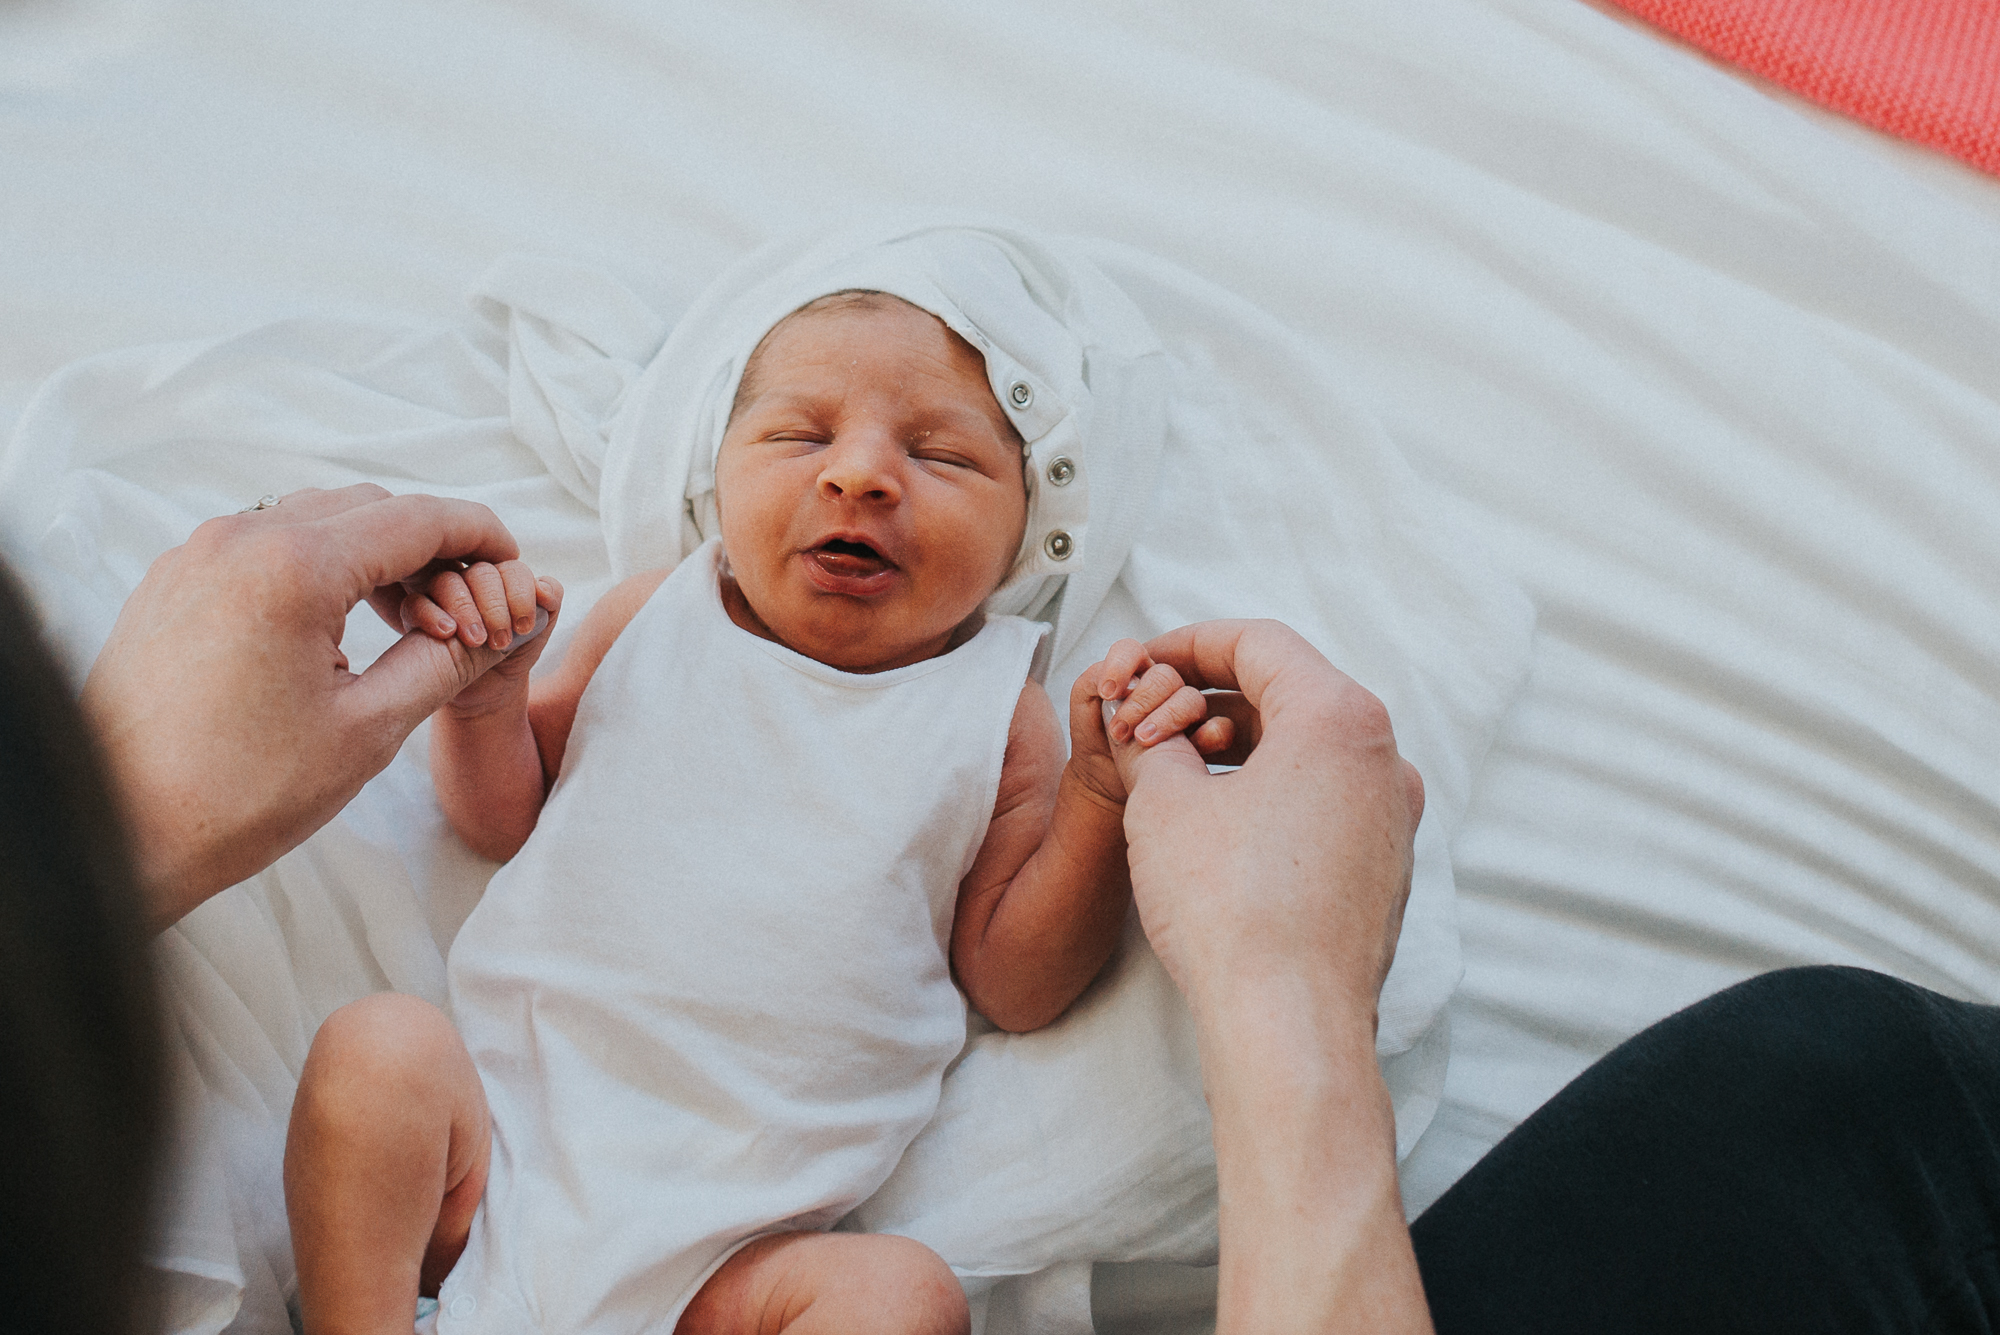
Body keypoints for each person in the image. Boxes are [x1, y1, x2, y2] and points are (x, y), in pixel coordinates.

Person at [282, 290, 1239, 1335]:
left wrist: (1097, 801)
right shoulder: (652, 616)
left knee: (902, 1297)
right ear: (718, 475)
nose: (859, 473)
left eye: (944, 458)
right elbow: (498, 819)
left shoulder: (996, 716)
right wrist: (484, 700)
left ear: (1026, 533)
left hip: (729, 1264)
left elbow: (1012, 983)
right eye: (798, 434)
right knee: (377, 1052)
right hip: (496, 1169)